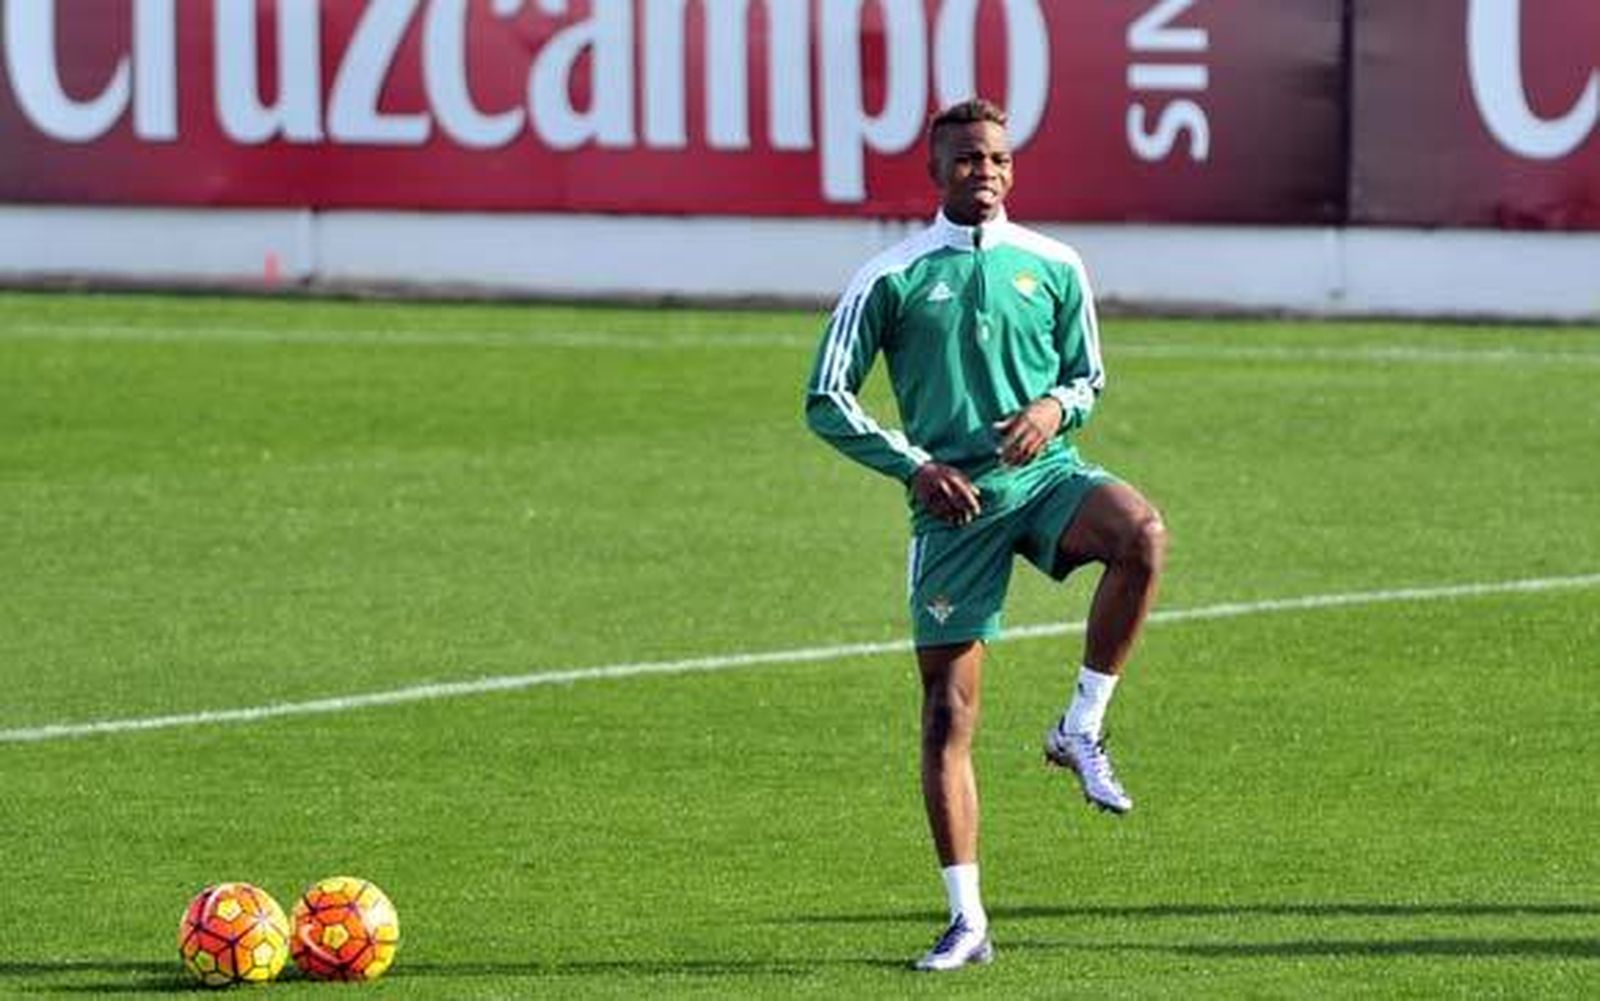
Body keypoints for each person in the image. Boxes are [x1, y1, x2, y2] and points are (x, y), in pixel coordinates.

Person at [803, 98, 1166, 972]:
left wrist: (1053, 407)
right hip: (951, 505)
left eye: (998, 159)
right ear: (935, 172)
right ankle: (967, 920)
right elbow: (828, 397)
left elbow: (1089, 375)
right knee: (946, 715)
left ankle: (1081, 726)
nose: (987, 173)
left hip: (1045, 479)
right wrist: (915, 465)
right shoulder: (888, 277)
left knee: (1142, 534)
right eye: (968, 160)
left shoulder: (1054, 263)